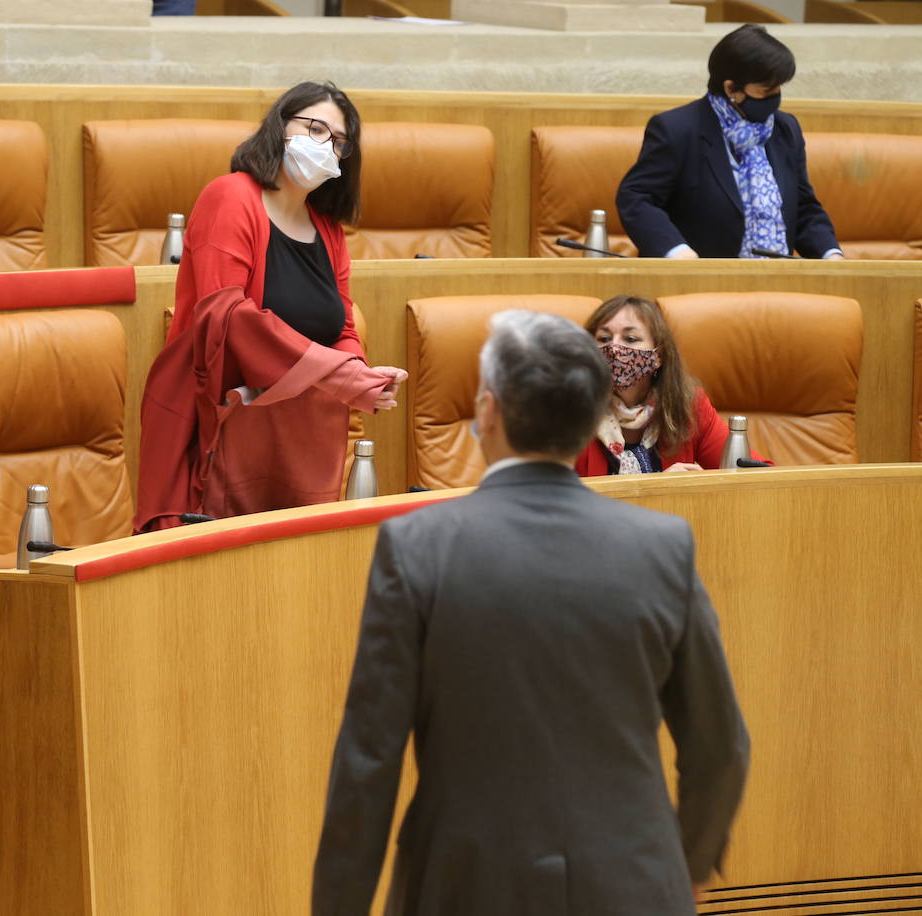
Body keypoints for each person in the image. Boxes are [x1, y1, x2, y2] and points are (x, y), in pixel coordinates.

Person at [312, 310, 750, 915]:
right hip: (636, 885)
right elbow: (720, 748)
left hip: (465, 887)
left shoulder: (416, 548)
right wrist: (691, 865)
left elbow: (368, 763)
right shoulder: (663, 549)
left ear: (488, 412)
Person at [134, 81, 407, 532]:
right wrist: (341, 376)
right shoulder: (230, 196)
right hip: (223, 426)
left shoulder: (327, 228)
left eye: (339, 142)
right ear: (280, 126)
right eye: (315, 128)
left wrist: (364, 375)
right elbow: (227, 316)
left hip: (303, 435)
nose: (326, 146)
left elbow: (339, 322)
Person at [617, 25, 843, 261]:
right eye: (766, 90)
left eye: (778, 88)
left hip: (778, 280)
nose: (775, 96)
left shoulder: (785, 129)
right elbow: (636, 198)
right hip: (699, 281)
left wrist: (830, 253)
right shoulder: (677, 129)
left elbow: (803, 207)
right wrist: (676, 251)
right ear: (731, 88)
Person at [576, 295, 767, 475]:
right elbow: (555, 498)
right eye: (603, 339)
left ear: (658, 355)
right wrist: (658, 490)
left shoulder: (688, 406)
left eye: (630, 339)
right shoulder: (569, 410)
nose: (614, 349)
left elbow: (758, 476)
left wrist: (703, 486)